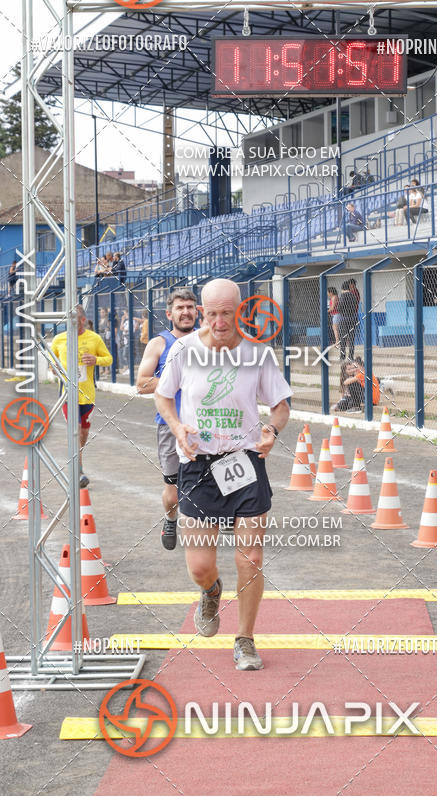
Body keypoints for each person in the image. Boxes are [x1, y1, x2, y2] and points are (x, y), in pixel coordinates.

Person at [155, 278, 291, 671]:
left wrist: (272, 430)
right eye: (210, 314)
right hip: (198, 466)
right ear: (202, 311)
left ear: (239, 311)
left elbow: (281, 407)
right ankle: (211, 591)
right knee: (199, 566)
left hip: (245, 463)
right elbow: (164, 396)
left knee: (250, 556)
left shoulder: (258, 354)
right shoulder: (184, 349)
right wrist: (178, 427)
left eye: (225, 314)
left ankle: (245, 639)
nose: (217, 321)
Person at [136, 288, 199, 550]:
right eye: (180, 308)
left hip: (204, 426)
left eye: (190, 307)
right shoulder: (159, 344)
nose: (185, 312)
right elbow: (141, 384)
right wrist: (175, 380)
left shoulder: (209, 341)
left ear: (198, 311)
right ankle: (171, 518)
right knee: (173, 493)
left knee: (211, 486)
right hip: (170, 427)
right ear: (169, 313)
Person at [51, 305, 113, 487]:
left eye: (73, 319)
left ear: (82, 320)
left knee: (84, 434)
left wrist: (96, 360)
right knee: (76, 431)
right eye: (67, 319)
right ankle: (78, 472)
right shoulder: (59, 339)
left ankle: (77, 459)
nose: (69, 323)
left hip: (88, 396)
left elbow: (108, 358)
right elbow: (51, 363)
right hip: (68, 395)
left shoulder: (94, 338)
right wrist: (55, 369)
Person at [338, 280, 358, 361]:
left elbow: (339, 308)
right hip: (352, 318)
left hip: (344, 319)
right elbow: (355, 306)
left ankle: (342, 356)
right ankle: (351, 356)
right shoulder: (353, 295)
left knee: (343, 338)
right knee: (351, 339)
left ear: (342, 288)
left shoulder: (343, 296)